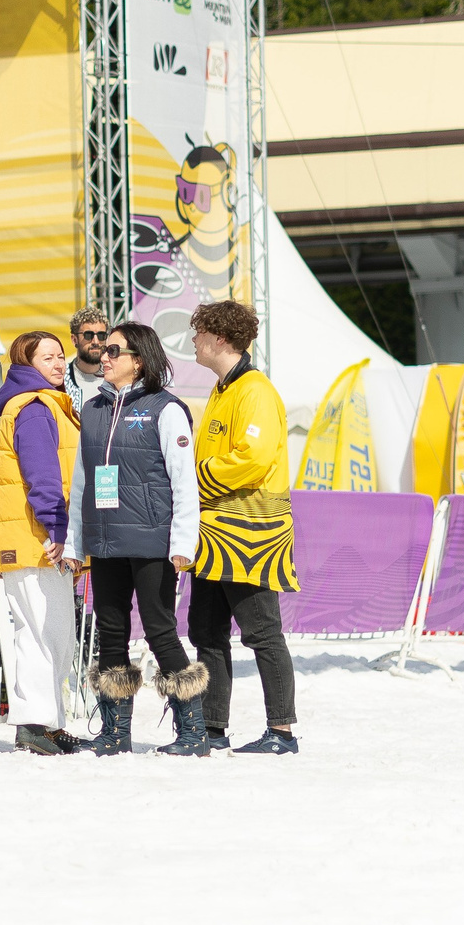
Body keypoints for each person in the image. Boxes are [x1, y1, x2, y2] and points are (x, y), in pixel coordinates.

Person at [62, 321, 199, 757]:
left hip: (152, 541)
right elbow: (84, 481)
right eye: (103, 349)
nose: (103, 354)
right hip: (105, 540)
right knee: (111, 630)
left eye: (114, 350)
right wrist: (73, 543)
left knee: (160, 631)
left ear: (138, 360)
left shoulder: (166, 408)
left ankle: (193, 733)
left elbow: (183, 481)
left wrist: (183, 542)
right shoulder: (94, 408)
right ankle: (114, 732)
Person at [183, 299, 298, 755]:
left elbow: (251, 459)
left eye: (199, 333)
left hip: (250, 531)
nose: (193, 340)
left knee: (262, 632)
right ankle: (212, 726)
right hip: (215, 530)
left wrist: (193, 480)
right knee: (206, 632)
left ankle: (282, 731)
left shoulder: (255, 391)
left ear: (220, 339)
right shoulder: (223, 389)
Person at [0, 331, 85, 755]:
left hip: (38, 538)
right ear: (26, 365)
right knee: (42, 630)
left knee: (55, 633)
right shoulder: (34, 408)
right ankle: (32, 722)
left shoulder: (48, 404)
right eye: (48, 357)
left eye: (61, 356)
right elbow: (43, 477)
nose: (60, 363)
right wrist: (57, 530)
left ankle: (49, 721)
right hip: (35, 540)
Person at [62, 306, 111, 409]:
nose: (96, 342)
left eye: (101, 335)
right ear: (74, 339)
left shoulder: (115, 379)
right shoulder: (60, 379)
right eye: (88, 335)